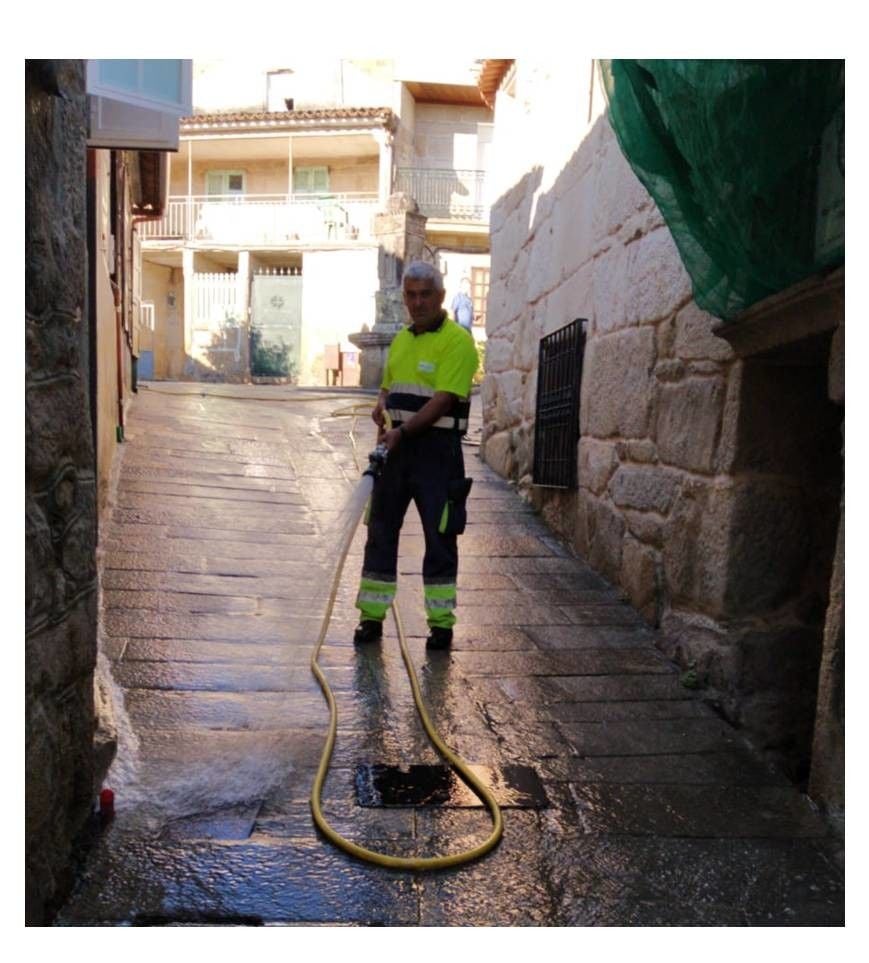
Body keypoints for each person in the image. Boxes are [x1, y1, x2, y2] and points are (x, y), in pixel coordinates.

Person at [354, 261, 479, 650]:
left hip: (436, 455)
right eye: (411, 294)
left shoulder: (458, 342)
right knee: (380, 532)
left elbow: (443, 400)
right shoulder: (403, 340)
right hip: (396, 452)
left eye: (426, 294)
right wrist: (380, 405)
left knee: (440, 537)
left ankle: (441, 625)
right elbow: (389, 387)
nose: (418, 301)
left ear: (441, 297)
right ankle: (371, 618)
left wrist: (403, 432)